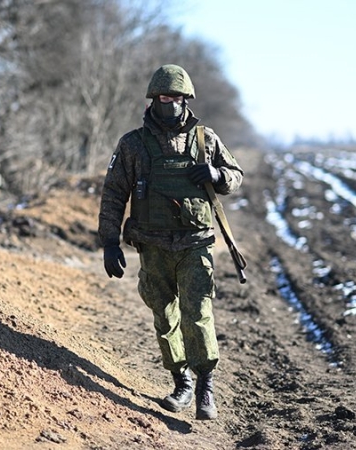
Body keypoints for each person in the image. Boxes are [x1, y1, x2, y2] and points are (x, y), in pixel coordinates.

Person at [97, 64, 244, 420]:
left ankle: (205, 388)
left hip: (195, 245)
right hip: (153, 246)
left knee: (199, 315)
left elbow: (236, 175)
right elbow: (114, 193)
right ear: (153, 100)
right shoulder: (133, 144)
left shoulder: (206, 140)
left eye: (177, 98)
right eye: (165, 98)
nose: (171, 104)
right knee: (164, 317)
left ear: (186, 100)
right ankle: (181, 381)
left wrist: (216, 174)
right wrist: (110, 242)